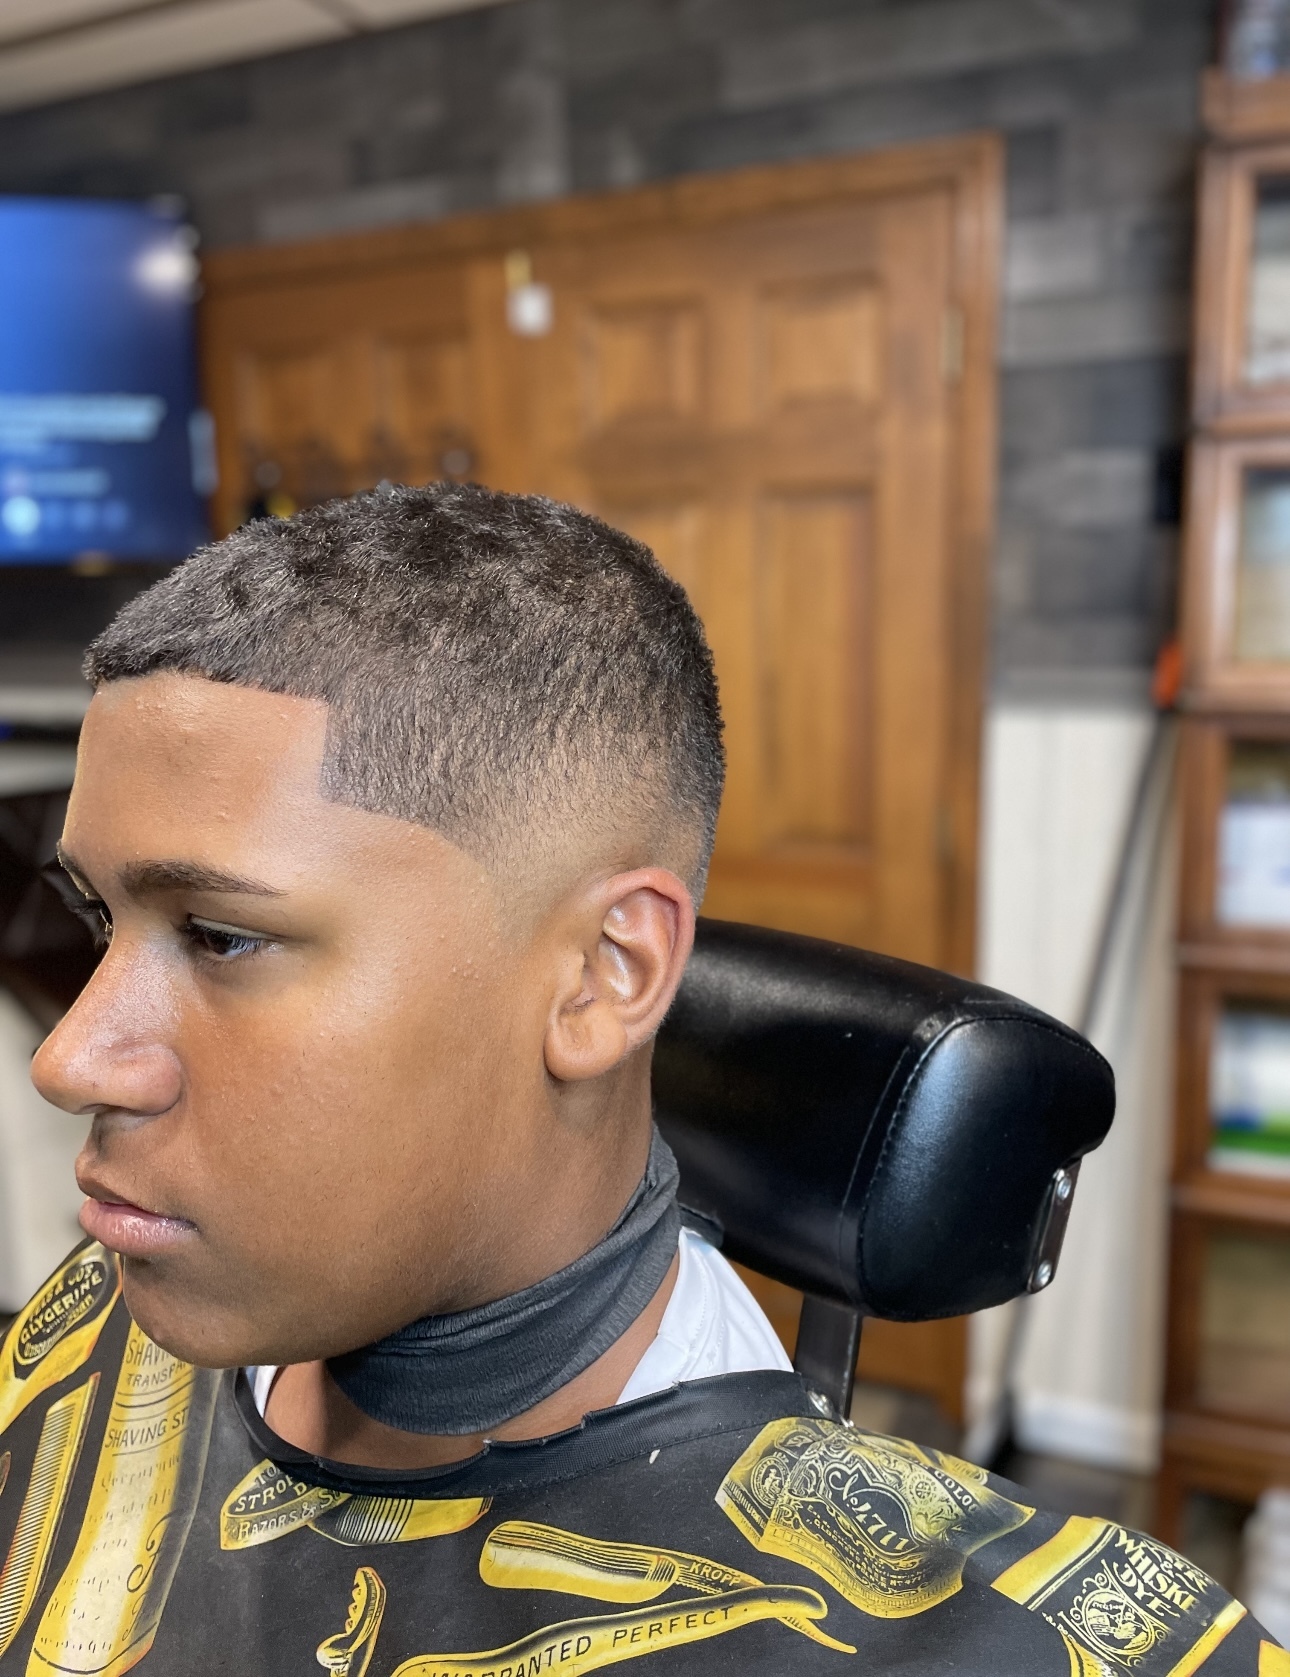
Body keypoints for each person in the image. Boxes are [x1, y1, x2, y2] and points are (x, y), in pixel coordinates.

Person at [0, 483, 1276, 1676]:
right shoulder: (102, 1321)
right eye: (99, 917)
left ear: (604, 977)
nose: (70, 1058)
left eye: (222, 937)